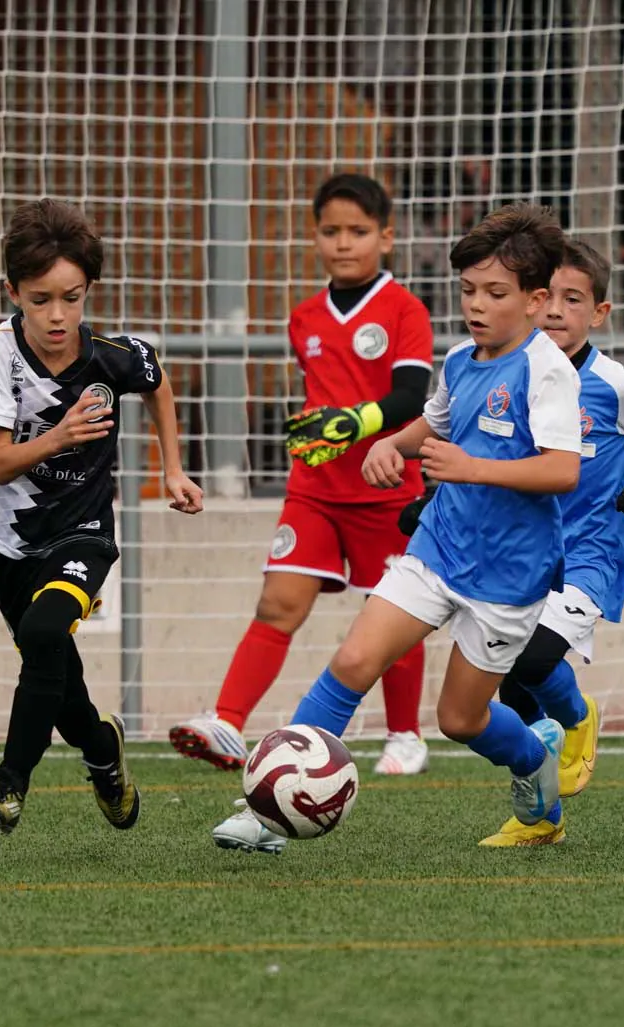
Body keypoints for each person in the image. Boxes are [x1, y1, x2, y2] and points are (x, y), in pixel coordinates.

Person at [211, 203, 582, 854]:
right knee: (354, 659)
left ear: (536, 299)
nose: (477, 304)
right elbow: (434, 421)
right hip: (438, 547)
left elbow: (561, 470)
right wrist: (395, 444)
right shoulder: (465, 359)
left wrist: (471, 466)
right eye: (468, 290)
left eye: (495, 293)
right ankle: (267, 806)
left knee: (460, 718)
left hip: (509, 573)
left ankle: (534, 759)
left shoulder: (548, 371)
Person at [168, 174, 435, 777]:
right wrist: (315, 429)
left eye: (359, 232)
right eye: (331, 231)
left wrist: (354, 420)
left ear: (386, 238)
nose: (344, 243)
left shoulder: (404, 310)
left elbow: (412, 397)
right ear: (314, 237)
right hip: (314, 491)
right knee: (277, 604)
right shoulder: (305, 317)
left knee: (392, 616)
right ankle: (229, 723)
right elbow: (324, 399)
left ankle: (405, 736)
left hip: (386, 490)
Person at [0, 198, 203, 834]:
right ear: (11, 291)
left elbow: (157, 385)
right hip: (8, 539)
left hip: (84, 534)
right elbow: (0, 465)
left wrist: (171, 469)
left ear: (89, 289)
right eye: (40, 300)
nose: (58, 315)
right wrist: (62, 436)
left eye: (72, 296)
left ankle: (8, 787)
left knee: (43, 637)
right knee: (58, 681)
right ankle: (103, 754)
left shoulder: (113, 357)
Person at [471, 238, 624, 846]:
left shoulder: (615, 382)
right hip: (527, 552)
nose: (559, 311)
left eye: (575, 299)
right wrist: (432, 501)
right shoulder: (519, 378)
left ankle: (580, 718)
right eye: (550, 299)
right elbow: (494, 458)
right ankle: (540, 817)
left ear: (598, 313)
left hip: (593, 553)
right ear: (532, 304)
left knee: (536, 661)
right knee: (509, 685)